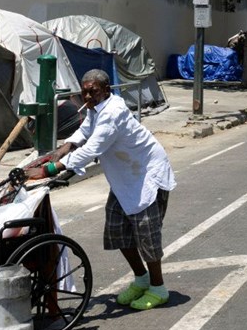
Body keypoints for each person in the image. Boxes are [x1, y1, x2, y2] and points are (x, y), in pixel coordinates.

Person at [26, 69, 176, 311]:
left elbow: (93, 148)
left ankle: (158, 288)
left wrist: (50, 170)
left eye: (93, 91)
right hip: (124, 178)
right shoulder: (95, 109)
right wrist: (63, 148)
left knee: (146, 236)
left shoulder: (113, 112)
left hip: (146, 176)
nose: (87, 96)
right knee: (118, 231)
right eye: (84, 91)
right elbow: (85, 130)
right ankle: (141, 279)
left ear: (106, 90)